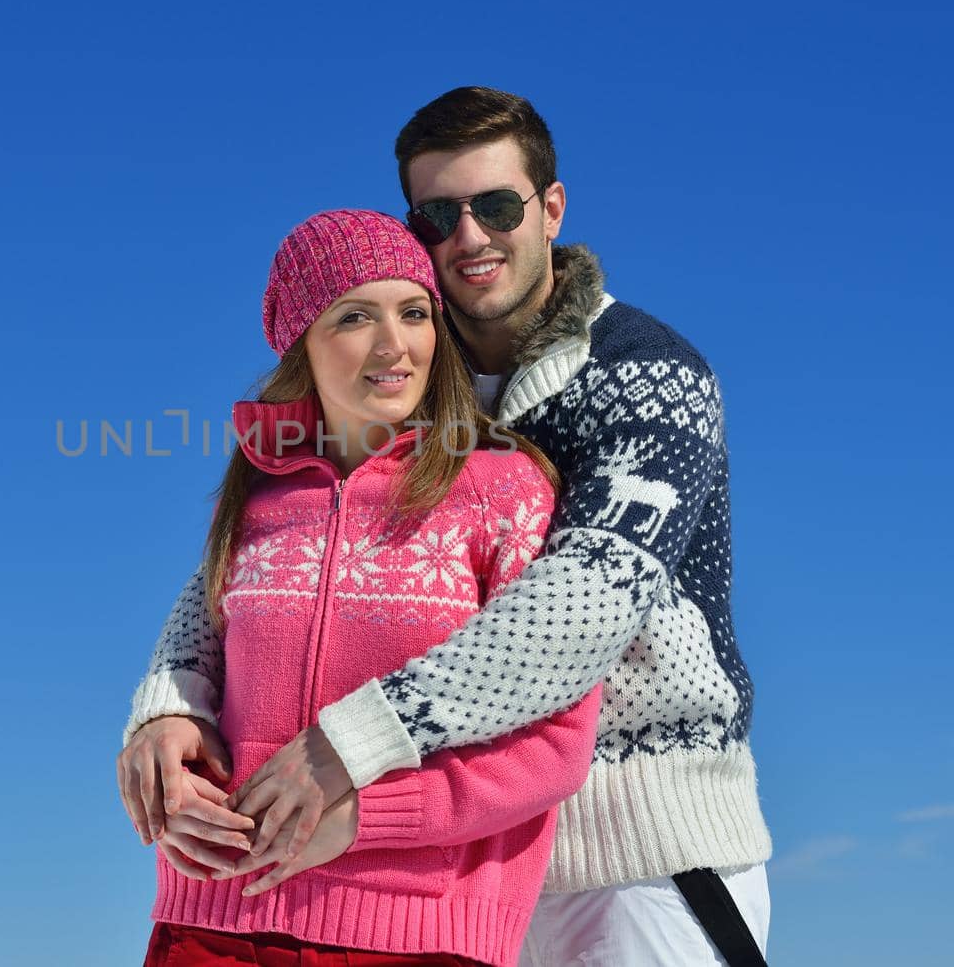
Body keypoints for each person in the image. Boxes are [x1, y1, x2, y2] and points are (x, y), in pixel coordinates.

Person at [120, 88, 774, 966]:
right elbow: (267, 555)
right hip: (454, 873)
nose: (469, 237)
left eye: (497, 206)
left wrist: (347, 747)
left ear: (551, 209)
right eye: (438, 214)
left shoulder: (649, 376)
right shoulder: (411, 371)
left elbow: (581, 607)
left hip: (639, 849)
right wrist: (170, 702)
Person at [129, 209, 602, 967]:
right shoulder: (252, 498)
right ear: (302, 346)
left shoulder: (501, 492)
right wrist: (171, 759)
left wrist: (368, 816)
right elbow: (202, 672)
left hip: (417, 937)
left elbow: (554, 745)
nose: (394, 346)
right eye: (354, 317)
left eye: (414, 313)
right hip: (210, 925)